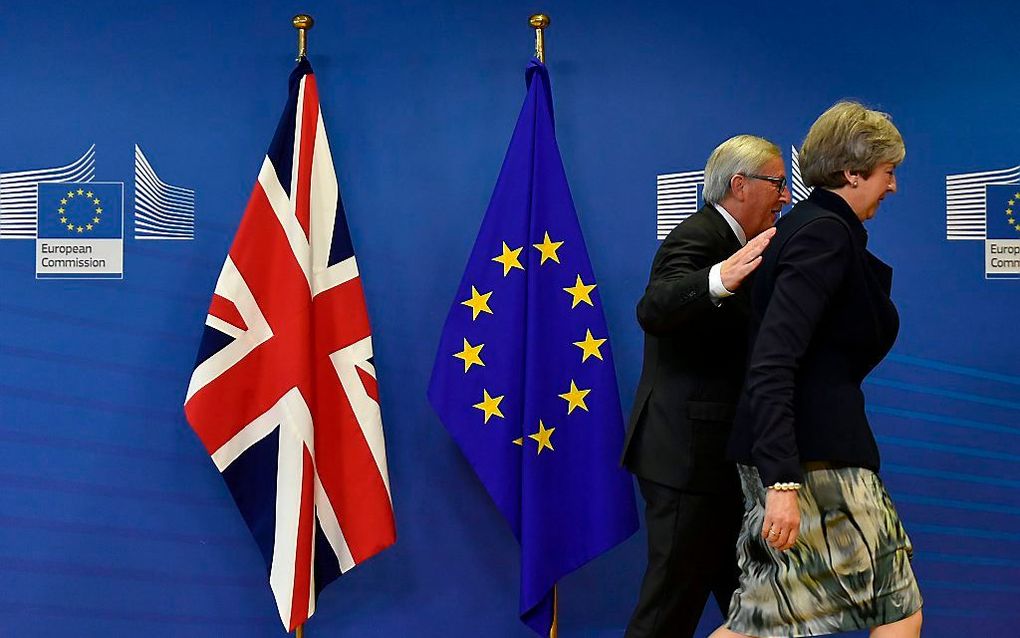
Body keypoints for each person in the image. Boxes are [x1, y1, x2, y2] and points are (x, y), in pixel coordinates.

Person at [713, 102, 923, 638]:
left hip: (814, 455)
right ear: (852, 173)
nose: (892, 187)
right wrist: (782, 479)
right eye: (887, 172)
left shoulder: (822, 231)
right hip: (811, 462)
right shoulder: (823, 235)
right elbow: (774, 358)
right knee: (888, 608)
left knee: (773, 618)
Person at [621, 135, 787, 638]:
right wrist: (719, 279)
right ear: (740, 185)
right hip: (686, 461)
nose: (784, 195)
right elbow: (655, 308)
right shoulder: (699, 236)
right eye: (778, 184)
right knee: (667, 613)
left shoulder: (741, 240)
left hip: (722, 463)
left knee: (760, 611)